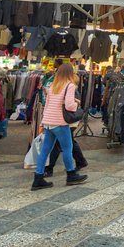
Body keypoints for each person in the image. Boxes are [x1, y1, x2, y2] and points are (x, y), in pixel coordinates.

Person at [31, 63, 87, 191]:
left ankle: (38, 177)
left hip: (49, 122)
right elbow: (69, 106)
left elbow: (48, 104)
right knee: (67, 148)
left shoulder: (52, 86)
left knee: (45, 150)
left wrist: (42, 122)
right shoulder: (70, 85)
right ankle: (71, 175)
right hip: (60, 122)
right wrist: (76, 103)